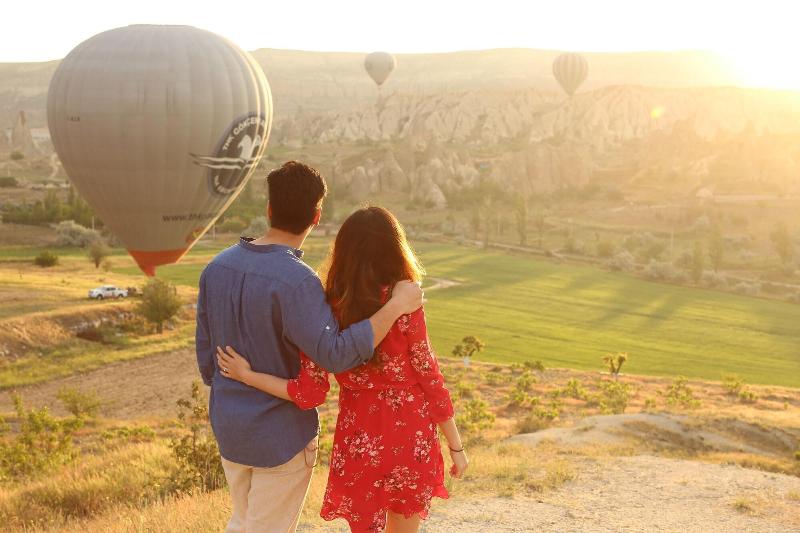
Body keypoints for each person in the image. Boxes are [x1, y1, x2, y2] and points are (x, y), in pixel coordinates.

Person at [195, 162, 424, 533]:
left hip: (230, 425)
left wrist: (237, 386)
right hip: (280, 435)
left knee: (242, 521)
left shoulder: (215, 268)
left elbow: (207, 362)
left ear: (268, 209)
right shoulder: (299, 282)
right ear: (317, 216)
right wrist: (395, 306)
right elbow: (334, 354)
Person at [217, 206, 468, 533]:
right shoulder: (405, 298)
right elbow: (430, 377)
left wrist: (247, 375)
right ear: (395, 248)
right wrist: (456, 446)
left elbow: (309, 392)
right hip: (411, 435)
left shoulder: (328, 308)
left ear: (343, 251)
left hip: (360, 440)